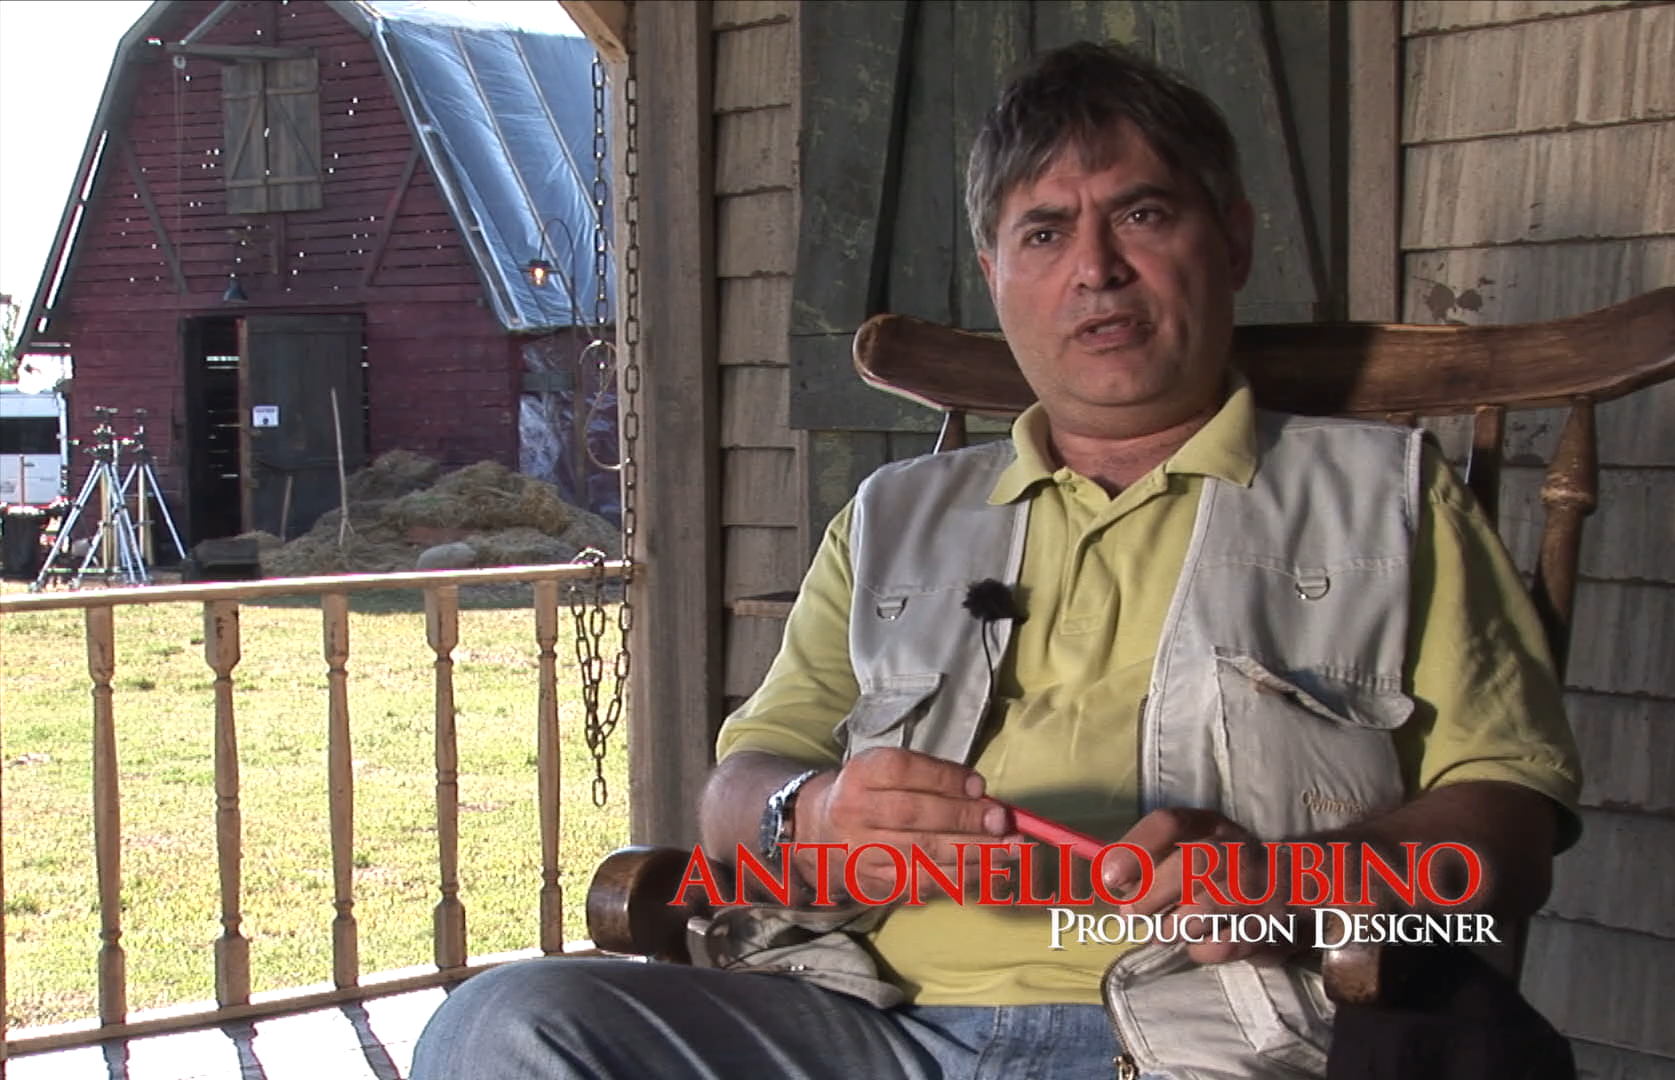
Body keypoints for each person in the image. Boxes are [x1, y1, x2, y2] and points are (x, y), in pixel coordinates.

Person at [411, 40, 1580, 1080]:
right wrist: (809, 813)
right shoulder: (894, 516)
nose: (1096, 269)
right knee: (504, 1026)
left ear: (1231, 239)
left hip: (1208, 1031)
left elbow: (1510, 817)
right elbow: (736, 792)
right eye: (1045, 231)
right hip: (866, 1021)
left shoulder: (1385, 499)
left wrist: (1305, 875)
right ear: (995, 272)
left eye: (1142, 214)